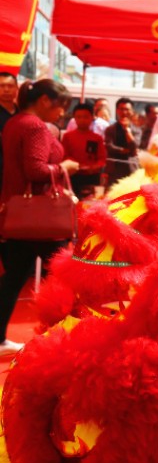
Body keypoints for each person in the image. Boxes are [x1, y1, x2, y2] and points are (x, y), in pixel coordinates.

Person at [0, 80, 79, 356]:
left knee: (12, 281)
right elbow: (35, 170)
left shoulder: (14, 122)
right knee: (59, 280)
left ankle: (2, 338)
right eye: (61, 106)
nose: (61, 113)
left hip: (19, 218)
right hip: (43, 221)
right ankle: (58, 339)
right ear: (45, 100)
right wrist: (64, 167)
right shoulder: (33, 125)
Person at [61, 102, 106, 198]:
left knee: (90, 203)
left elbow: (102, 159)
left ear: (92, 117)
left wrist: (94, 167)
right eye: (78, 117)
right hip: (73, 176)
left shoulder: (97, 138)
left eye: (86, 117)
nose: (82, 120)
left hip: (92, 177)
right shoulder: (67, 136)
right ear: (74, 118)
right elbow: (64, 155)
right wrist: (75, 165)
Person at [103, 97, 141, 187]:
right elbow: (109, 146)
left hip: (132, 168)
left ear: (132, 111)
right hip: (114, 169)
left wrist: (127, 130)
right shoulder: (110, 129)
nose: (124, 112)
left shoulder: (137, 130)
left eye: (127, 109)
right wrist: (121, 150)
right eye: (121, 109)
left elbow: (134, 145)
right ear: (117, 111)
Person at [0, 72, 19, 197]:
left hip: (17, 170)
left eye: (10, 86)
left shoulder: (22, 113)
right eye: (2, 86)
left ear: (16, 89)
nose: (6, 89)